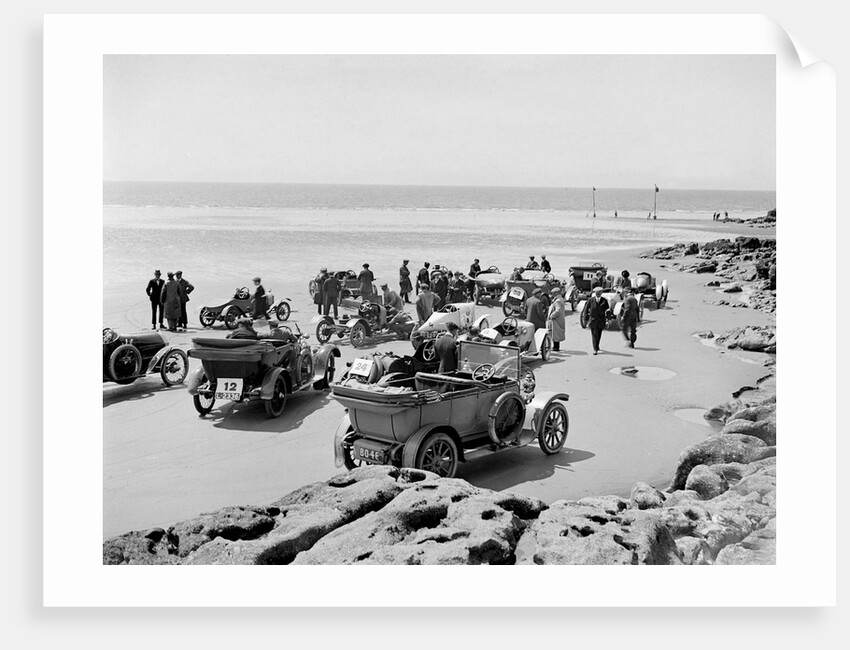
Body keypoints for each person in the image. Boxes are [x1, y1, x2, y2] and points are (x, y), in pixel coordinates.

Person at [587, 286, 610, 355]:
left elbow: (607, 310)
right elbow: (586, 309)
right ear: (595, 293)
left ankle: (597, 345)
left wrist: (608, 320)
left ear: (601, 293)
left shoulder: (604, 301)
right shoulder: (590, 300)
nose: (598, 294)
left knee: (599, 334)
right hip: (593, 320)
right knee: (594, 334)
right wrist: (585, 319)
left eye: (599, 292)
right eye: (596, 292)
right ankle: (595, 348)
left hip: (601, 320)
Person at [547, 286, 566, 351]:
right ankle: (556, 346)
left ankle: (556, 347)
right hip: (558, 319)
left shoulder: (558, 301)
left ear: (556, 293)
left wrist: (552, 315)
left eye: (553, 293)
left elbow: (558, 310)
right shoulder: (560, 299)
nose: (552, 295)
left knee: (555, 334)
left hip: (556, 320)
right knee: (556, 333)